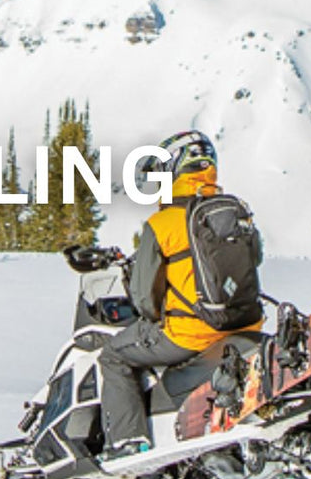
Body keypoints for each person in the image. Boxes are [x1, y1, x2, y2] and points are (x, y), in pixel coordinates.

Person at [97, 131, 264, 460]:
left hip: (192, 334)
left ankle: (127, 444)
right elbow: (253, 260)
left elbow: (145, 298)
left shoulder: (164, 223)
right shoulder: (235, 213)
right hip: (245, 326)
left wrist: (156, 311)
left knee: (114, 356)